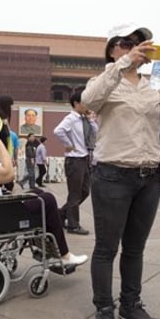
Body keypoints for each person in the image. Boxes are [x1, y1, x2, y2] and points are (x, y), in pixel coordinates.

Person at [81, 22, 160, 319]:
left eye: (141, 43)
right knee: (106, 248)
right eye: (127, 43)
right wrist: (125, 63)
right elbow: (89, 101)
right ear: (112, 48)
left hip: (149, 178)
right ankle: (104, 308)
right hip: (112, 175)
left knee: (135, 248)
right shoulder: (105, 80)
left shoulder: (152, 83)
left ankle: (131, 304)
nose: (135, 48)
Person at [0, 105, 88, 267]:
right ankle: (64, 254)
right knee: (47, 200)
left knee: (37, 191)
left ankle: (45, 247)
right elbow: (8, 175)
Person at [53, 91, 97, 235]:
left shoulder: (84, 119)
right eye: (84, 103)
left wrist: (90, 120)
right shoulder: (71, 118)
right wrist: (68, 143)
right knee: (75, 194)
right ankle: (73, 225)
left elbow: (96, 133)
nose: (87, 106)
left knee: (85, 191)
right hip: (74, 160)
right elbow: (58, 131)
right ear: (76, 103)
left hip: (84, 159)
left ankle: (61, 214)